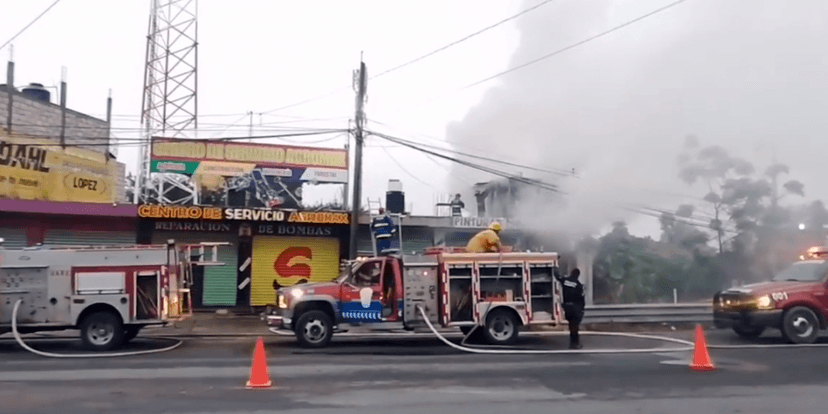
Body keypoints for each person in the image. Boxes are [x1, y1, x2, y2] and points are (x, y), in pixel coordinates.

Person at [556, 268, 586, 349]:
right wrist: (582, 309)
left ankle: (573, 343)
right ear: (578, 275)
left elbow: (558, 277)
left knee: (571, 326)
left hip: (567, 307)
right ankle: (575, 344)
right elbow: (582, 299)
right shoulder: (579, 285)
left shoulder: (565, 281)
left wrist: (554, 269)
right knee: (575, 326)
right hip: (575, 307)